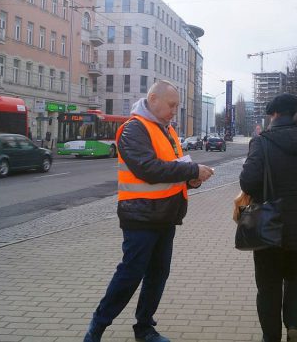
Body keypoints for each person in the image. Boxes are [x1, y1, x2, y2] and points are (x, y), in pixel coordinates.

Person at [83, 81, 214, 342]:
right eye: (172, 105)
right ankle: (97, 327)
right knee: (130, 275)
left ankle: (144, 328)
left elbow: (174, 166)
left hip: (166, 215)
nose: (175, 110)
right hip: (140, 217)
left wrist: (192, 179)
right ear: (153, 99)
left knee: (157, 275)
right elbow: (148, 169)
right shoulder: (134, 129)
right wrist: (191, 171)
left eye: (177, 106)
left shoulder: (167, 130)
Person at [239, 93, 297, 342]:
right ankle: (293, 324)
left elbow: (248, 181)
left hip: (268, 225)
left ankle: (270, 337)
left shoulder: (262, 142)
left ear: (273, 115)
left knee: (268, 285)